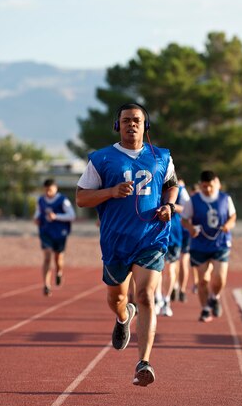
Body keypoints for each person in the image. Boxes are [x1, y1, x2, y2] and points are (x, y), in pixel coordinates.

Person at [76, 102, 179, 387]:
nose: (131, 125)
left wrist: (169, 205)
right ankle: (124, 318)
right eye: (126, 121)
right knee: (117, 300)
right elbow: (82, 198)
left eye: (137, 120)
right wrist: (110, 192)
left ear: (146, 125)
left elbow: (172, 184)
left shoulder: (161, 156)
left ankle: (143, 362)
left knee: (146, 296)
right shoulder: (102, 159)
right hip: (116, 242)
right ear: (117, 125)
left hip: (151, 237)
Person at [181, 170, 237, 322]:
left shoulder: (225, 198)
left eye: (210, 186)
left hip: (221, 243)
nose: (208, 189)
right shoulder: (193, 200)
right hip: (200, 245)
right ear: (201, 185)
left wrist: (228, 225)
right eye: (205, 186)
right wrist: (191, 228)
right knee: (203, 280)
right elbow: (184, 219)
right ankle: (205, 308)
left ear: (217, 183)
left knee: (219, 278)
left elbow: (233, 216)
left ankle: (215, 297)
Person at [34, 178, 76, 296]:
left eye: (50, 190)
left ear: (55, 189)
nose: (48, 192)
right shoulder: (41, 200)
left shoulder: (63, 200)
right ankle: (46, 285)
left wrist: (56, 216)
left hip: (59, 233)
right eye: (46, 190)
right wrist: (36, 219)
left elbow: (71, 216)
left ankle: (59, 272)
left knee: (58, 258)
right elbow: (38, 212)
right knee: (47, 256)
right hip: (46, 232)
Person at [155, 183, 189, 316]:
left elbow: (187, 208)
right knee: (156, 270)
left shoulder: (180, 191)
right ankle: (157, 299)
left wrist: (171, 207)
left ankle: (166, 300)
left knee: (170, 270)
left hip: (173, 236)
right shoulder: (153, 184)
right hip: (155, 234)